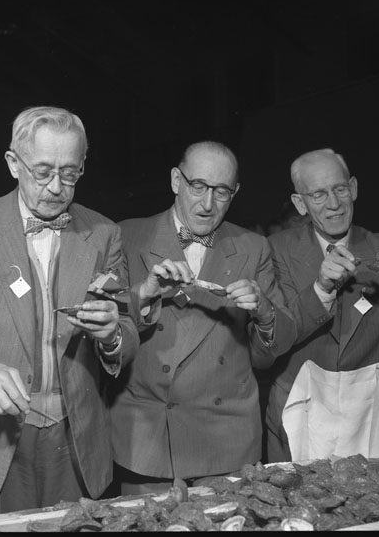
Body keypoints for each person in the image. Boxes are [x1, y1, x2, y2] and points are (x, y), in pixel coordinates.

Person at [0, 106, 139, 516]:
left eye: (70, 173)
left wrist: (114, 335)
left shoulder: (104, 234)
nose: (57, 187)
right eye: (42, 172)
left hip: (74, 441)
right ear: (13, 163)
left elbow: (127, 330)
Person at [108, 141, 296, 496]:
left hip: (226, 442)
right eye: (198, 186)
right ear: (175, 180)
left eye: (221, 191)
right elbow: (107, 328)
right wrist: (144, 294)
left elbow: (277, 345)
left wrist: (264, 309)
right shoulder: (128, 236)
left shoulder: (253, 246)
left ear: (234, 193)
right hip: (148, 440)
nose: (208, 204)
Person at [264, 148, 379, 463]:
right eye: (318, 194)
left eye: (340, 189)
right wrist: (320, 289)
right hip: (299, 408)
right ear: (300, 204)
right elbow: (278, 335)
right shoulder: (276, 250)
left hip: (367, 411)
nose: (334, 204)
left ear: (354, 188)